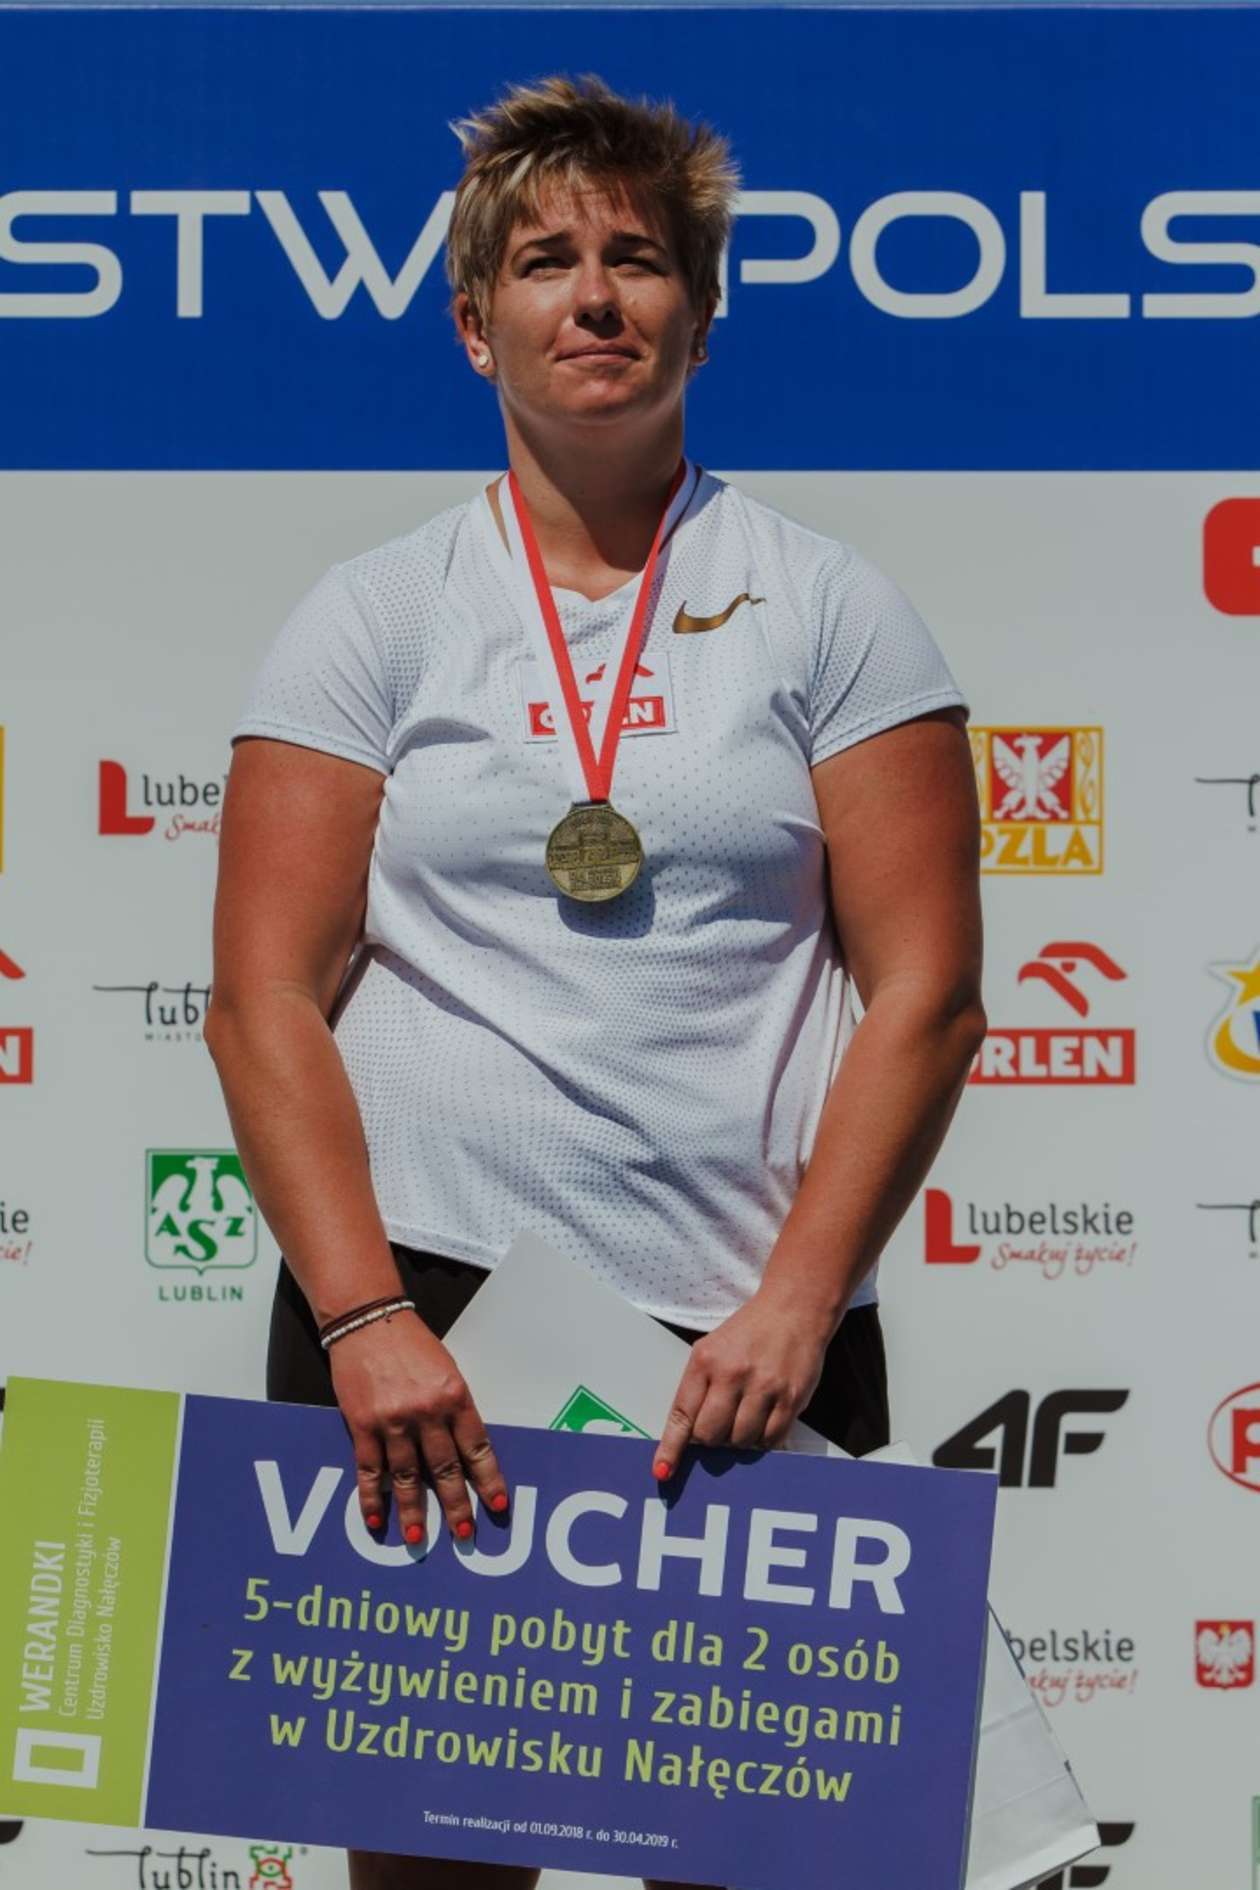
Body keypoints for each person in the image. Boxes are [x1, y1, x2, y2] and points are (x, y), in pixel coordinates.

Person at [206, 72, 984, 1890]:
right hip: (425, 1334)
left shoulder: (830, 606)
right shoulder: (377, 612)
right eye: (546, 261)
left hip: (744, 1346)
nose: (598, 295)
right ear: (476, 324)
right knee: (429, 1874)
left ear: (701, 311)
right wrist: (361, 1317)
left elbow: (928, 993)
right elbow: (262, 1001)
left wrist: (801, 1306)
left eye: (637, 258)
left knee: (758, 1867)